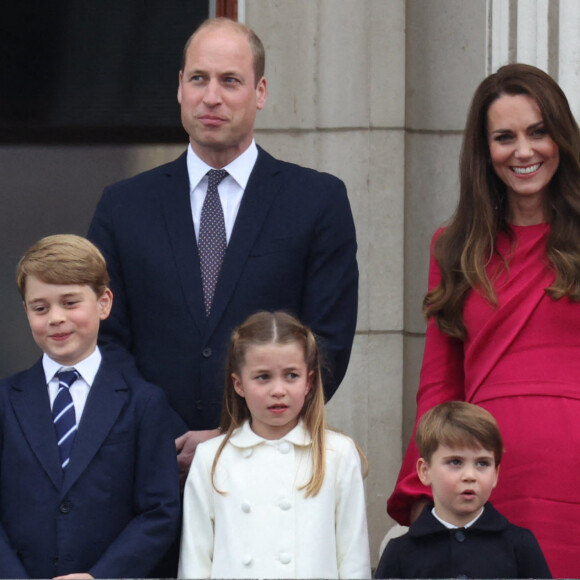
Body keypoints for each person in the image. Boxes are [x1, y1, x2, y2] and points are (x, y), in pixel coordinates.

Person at [87, 17, 358, 489]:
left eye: (230, 81)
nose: (211, 96)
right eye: (199, 79)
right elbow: (102, 337)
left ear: (260, 91)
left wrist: (235, 434)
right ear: (179, 88)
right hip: (149, 472)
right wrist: (160, 431)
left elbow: (327, 340)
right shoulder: (123, 205)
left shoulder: (316, 201)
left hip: (269, 469)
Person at [387, 63, 580, 578]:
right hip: (487, 473)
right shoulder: (452, 246)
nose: (524, 151)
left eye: (538, 132)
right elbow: (439, 383)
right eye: (504, 137)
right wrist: (419, 487)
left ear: (561, 136)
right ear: (484, 151)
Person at [0, 235, 180, 578]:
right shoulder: (5, 400)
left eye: (70, 303)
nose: (55, 318)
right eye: (40, 307)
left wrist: (101, 576)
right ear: (26, 311)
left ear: (104, 303)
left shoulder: (143, 402)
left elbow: (159, 511)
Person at [177, 311, 370, 579]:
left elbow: (353, 559)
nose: (278, 390)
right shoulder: (211, 458)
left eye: (291, 375)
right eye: (263, 377)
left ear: (309, 382)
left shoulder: (337, 454)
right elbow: (195, 561)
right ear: (239, 384)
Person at [376, 402, 551, 579]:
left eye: (482, 463)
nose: (470, 475)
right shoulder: (400, 552)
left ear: (496, 474)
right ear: (425, 471)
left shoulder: (520, 545)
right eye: (455, 462)